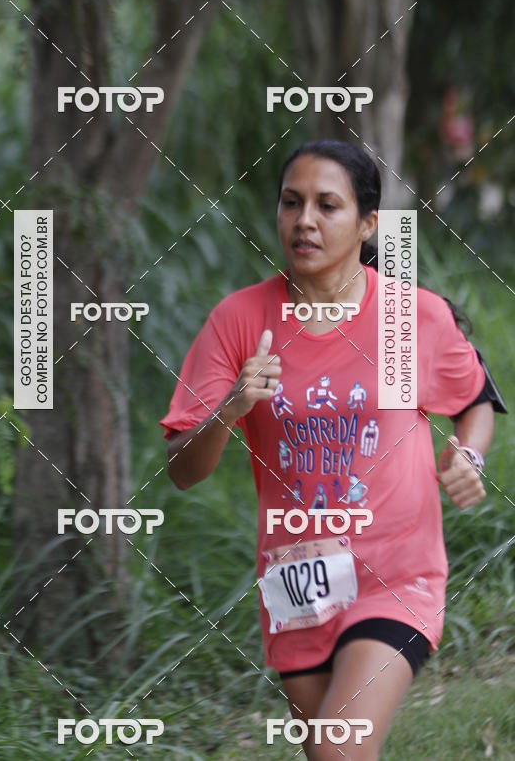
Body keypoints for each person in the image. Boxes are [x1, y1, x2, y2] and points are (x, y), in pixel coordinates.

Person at [159, 140, 506, 759]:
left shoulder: (404, 320)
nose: (305, 221)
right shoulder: (241, 321)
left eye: (327, 205)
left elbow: (476, 397)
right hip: (297, 583)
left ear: (368, 223)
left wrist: (468, 456)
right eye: (291, 204)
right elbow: (184, 470)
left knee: (340, 749)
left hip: (397, 576)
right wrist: (230, 408)